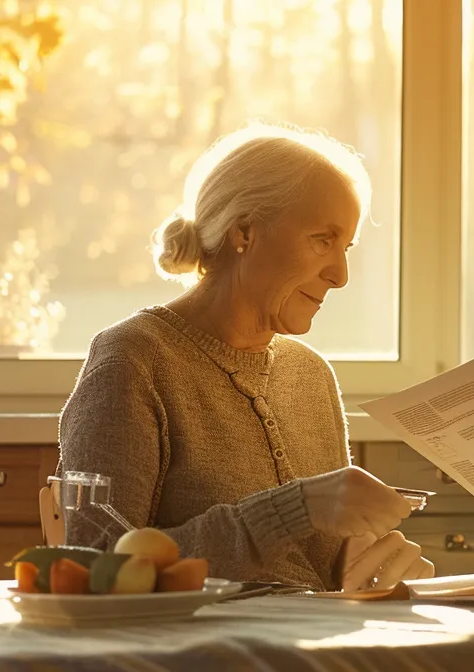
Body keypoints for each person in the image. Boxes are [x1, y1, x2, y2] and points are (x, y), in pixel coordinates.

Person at [58, 123, 433, 593]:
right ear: (244, 231)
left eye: (346, 247)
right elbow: (93, 569)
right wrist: (292, 510)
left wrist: (366, 568)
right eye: (323, 240)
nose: (340, 275)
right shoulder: (133, 361)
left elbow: (314, 575)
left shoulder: (311, 376)